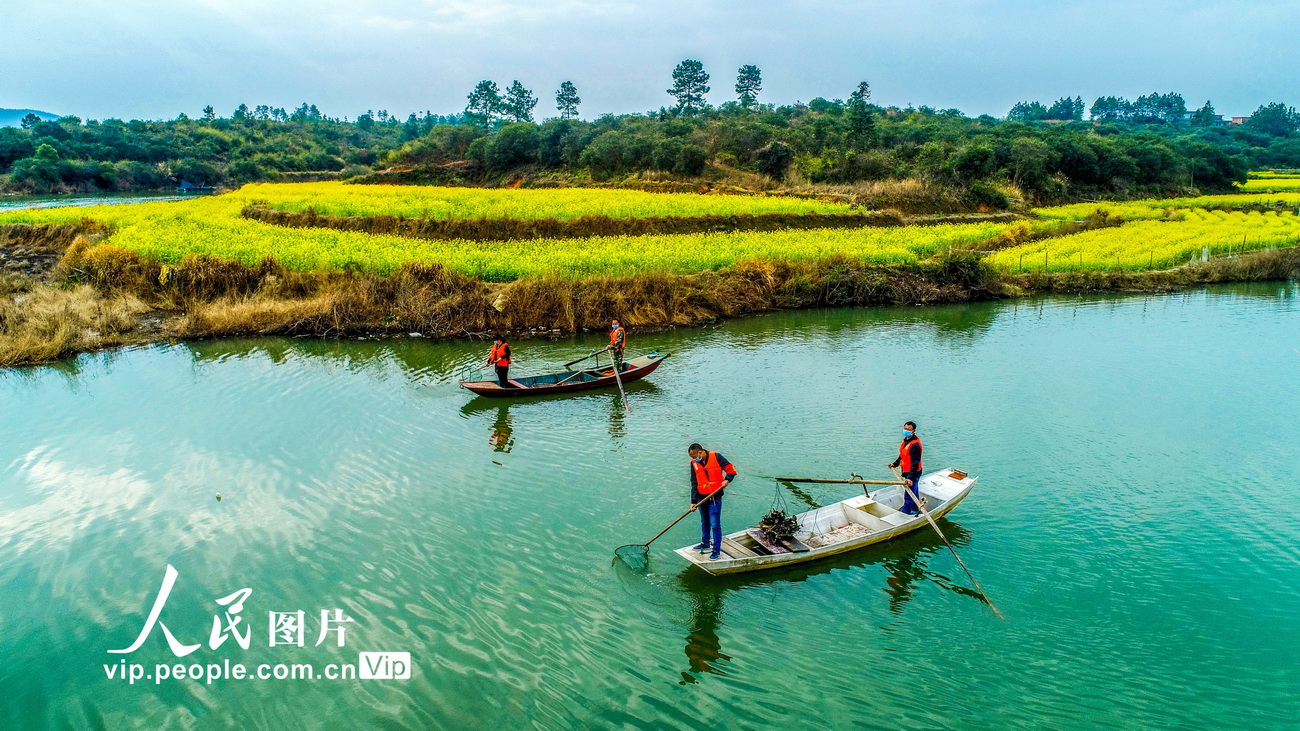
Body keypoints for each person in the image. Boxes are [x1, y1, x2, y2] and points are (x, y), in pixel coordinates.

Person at [689, 443, 737, 560]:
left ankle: (716, 550)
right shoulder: (694, 463)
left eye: (694, 456)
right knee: (704, 521)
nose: (693, 459)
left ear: (700, 452)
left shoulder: (716, 456)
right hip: (701, 497)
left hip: (714, 496)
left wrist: (727, 480)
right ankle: (705, 543)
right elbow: (694, 483)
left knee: (715, 524)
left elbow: (731, 471)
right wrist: (693, 501)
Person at [889, 421, 923, 515]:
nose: (906, 431)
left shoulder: (915, 446)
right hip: (908, 471)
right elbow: (903, 455)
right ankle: (916, 509)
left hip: (914, 473)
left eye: (908, 429)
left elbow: (915, 463)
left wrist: (910, 478)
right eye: (905, 429)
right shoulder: (906, 440)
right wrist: (894, 464)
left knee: (909, 494)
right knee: (914, 491)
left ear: (913, 431)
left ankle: (906, 513)